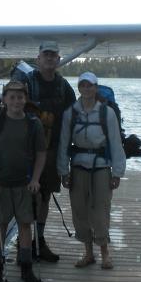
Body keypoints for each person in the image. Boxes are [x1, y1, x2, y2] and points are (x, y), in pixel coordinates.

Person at [14, 41, 76, 262]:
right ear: (38, 59)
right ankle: (24, 243)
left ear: (59, 60)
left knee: (45, 196)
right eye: (45, 55)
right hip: (28, 150)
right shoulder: (26, 82)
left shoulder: (63, 86)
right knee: (28, 197)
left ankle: (39, 241)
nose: (49, 58)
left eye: (53, 55)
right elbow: (11, 107)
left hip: (51, 150)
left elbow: (75, 114)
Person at [56, 71, 126, 270]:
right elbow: (63, 143)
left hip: (102, 166)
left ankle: (105, 252)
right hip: (78, 166)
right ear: (79, 88)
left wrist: (117, 172)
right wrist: (63, 171)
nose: (87, 89)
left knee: (101, 210)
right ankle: (88, 253)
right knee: (80, 210)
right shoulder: (71, 113)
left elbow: (115, 143)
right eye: (83, 85)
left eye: (90, 86)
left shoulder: (107, 113)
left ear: (96, 88)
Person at [0, 80, 47, 282]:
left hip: (24, 184)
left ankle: (26, 267)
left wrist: (36, 179)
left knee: (25, 225)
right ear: (5, 100)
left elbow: (41, 154)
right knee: (0, 225)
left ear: (25, 99)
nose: (16, 101)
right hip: (0, 184)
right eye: (12, 97)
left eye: (20, 97)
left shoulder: (33, 124)